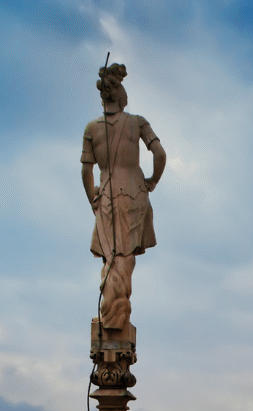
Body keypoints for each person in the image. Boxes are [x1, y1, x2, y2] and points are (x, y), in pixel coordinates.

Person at [81, 63, 164, 331]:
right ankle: (116, 315)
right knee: (125, 255)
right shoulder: (138, 122)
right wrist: (152, 181)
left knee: (111, 256)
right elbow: (160, 154)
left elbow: (86, 171)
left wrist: (93, 200)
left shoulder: (91, 129)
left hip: (106, 194)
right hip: (134, 193)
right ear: (120, 92)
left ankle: (112, 313)